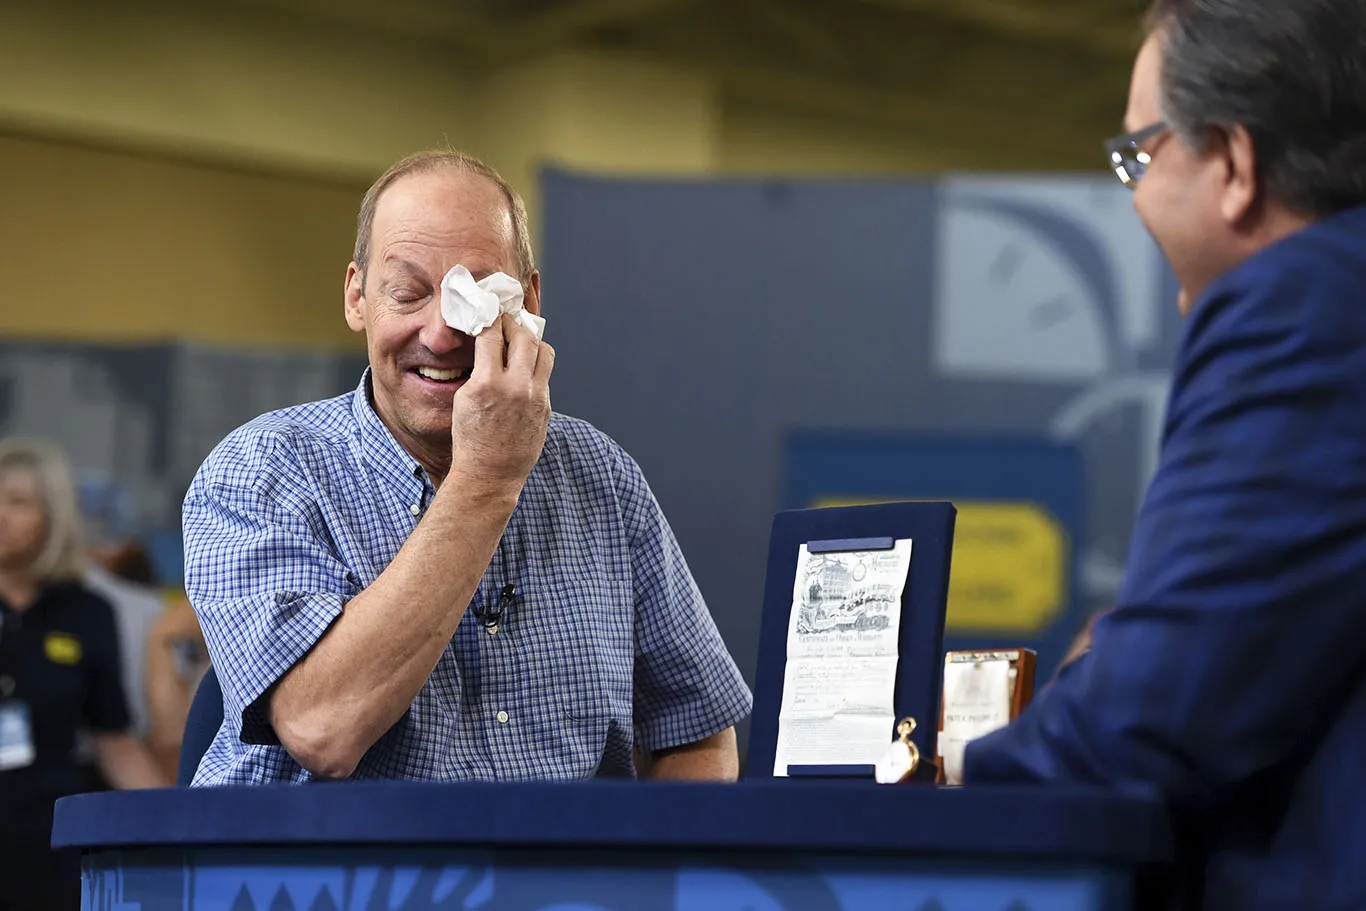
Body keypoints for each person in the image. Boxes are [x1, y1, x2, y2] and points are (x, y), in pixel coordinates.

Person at [962, 1, 1366, 909]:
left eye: (1139, 157)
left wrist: (949, 792)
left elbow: (1151, 714)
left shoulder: (1301, 307)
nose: (1135, 194)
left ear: (1233, 164)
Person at [182, 150, 752, 786]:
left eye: (478, 296)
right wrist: (487, 479)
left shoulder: (601, 477)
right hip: (338, 852)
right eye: (408, 294)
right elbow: (322, 728)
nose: (443, 334)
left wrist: (654, 852)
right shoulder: (262, 470)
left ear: (529, 301)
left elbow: (696, 733)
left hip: (571, 853)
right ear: (357, 297)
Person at [0, 440, 166, 911]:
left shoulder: (87, 612)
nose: (1, 515)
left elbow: (114, 738)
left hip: (49, 840)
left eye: (18, 502)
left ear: (53, 517)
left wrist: (174, 821)